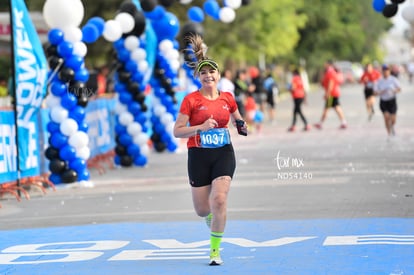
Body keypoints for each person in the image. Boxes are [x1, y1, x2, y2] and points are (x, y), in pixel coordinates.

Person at [173, 34, 247, 266]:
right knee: (202, 209)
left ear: (218, 75)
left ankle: (215, 251)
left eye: (211, 71)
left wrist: (241, 125)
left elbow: (237, 119)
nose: (208, 75)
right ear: (199, 76)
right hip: (198, 155)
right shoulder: (191, 100)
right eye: (203, 72)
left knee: (220, 199)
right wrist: (201, 128)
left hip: (223, 152)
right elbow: (178, 131)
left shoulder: (227, 98)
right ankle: (211, 218)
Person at [314, 60, 347, 130]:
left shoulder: (330, 72)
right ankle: (343, 122)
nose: (324, 65)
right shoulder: (329, 72)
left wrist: (327, 94)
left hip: (332, 94)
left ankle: (320, 123)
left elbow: (330, 84)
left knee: (328, 108)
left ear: (328, 64)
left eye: (325, 64)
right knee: (336, 107)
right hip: (334, 93)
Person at [374, 64, 401, 137]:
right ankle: (388, 133)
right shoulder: (379, 81)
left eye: (387, 71)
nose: (385, 72)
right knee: (386, 117)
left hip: (392, 101)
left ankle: (392, 126)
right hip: (384, 101)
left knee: (393, 119)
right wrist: (380, 92)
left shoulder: (393, 79)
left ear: (389, 71)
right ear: (382, 72)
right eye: (384, 71)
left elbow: (399, 89)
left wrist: (394, 90)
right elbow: (375, 93)